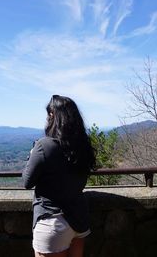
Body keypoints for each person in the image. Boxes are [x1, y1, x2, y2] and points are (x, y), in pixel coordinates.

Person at [22, 95, 95, 257]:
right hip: (79, 220)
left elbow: (27, 181)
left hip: (52, 221)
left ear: (53, 115)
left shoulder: (44, 145)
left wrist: (32, 154)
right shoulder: (82, 145)